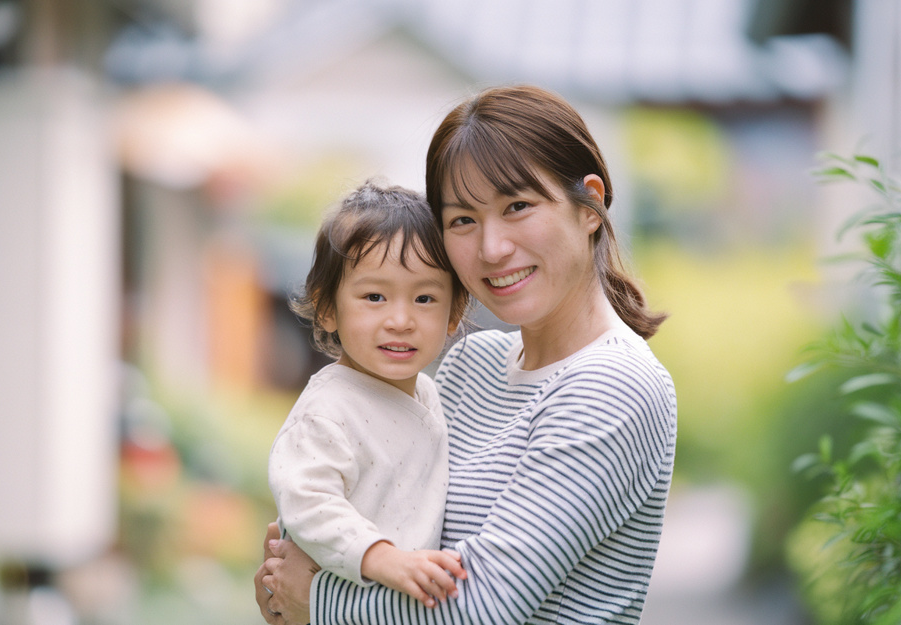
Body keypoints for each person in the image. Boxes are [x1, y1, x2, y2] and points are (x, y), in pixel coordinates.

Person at [256, 85, 678, 625]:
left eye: (518, 207)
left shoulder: (612, 384)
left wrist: (313, 602)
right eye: (462, 220)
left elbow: (481, 608)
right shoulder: (467, 365)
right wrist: (290, 573)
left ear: (589, 205)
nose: (491, 248)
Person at [266, 180, 470, 614]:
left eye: (425, 298)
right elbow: (308, 501)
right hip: (340, 602)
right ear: (326, 307)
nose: (400, 319)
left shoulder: (431, 395)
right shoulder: (328, 411)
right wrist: (382, 557)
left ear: (454, 312)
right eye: (374, 296)